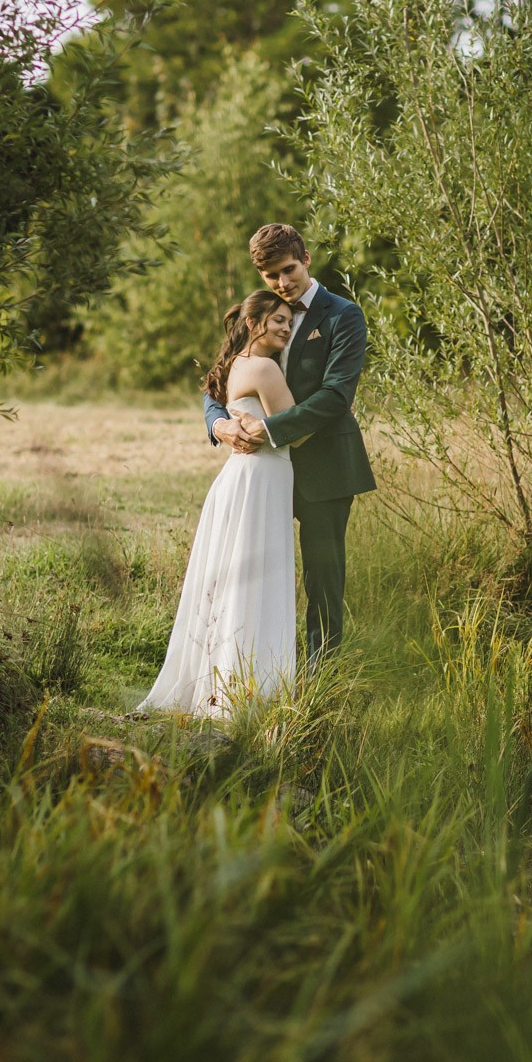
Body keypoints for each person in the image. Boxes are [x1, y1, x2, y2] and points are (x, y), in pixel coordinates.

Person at [204, 223, 376, 664]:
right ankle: (250, 668)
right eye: (271, 276)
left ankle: (321, 683)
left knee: (322, 579)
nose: (282, 283)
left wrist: (271, 429)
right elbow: (223, 373)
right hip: (263, 476)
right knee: (256, 575)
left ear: (307, 259)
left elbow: (337, 395)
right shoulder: (263, 311)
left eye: (288, 269)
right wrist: (217, 423)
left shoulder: (344, 315)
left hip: (325, 470)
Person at [139, 291, 299, 716]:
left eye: (288, 321)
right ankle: (245, 692)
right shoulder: (264, 368)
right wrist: (339, 409)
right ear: (254, 322)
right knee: (256, 579)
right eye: (278, 320)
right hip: (261, 478)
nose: (285, 327)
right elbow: (296, 430)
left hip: (238, 479)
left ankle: (219, 682)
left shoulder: (233, 365)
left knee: (234, 580)